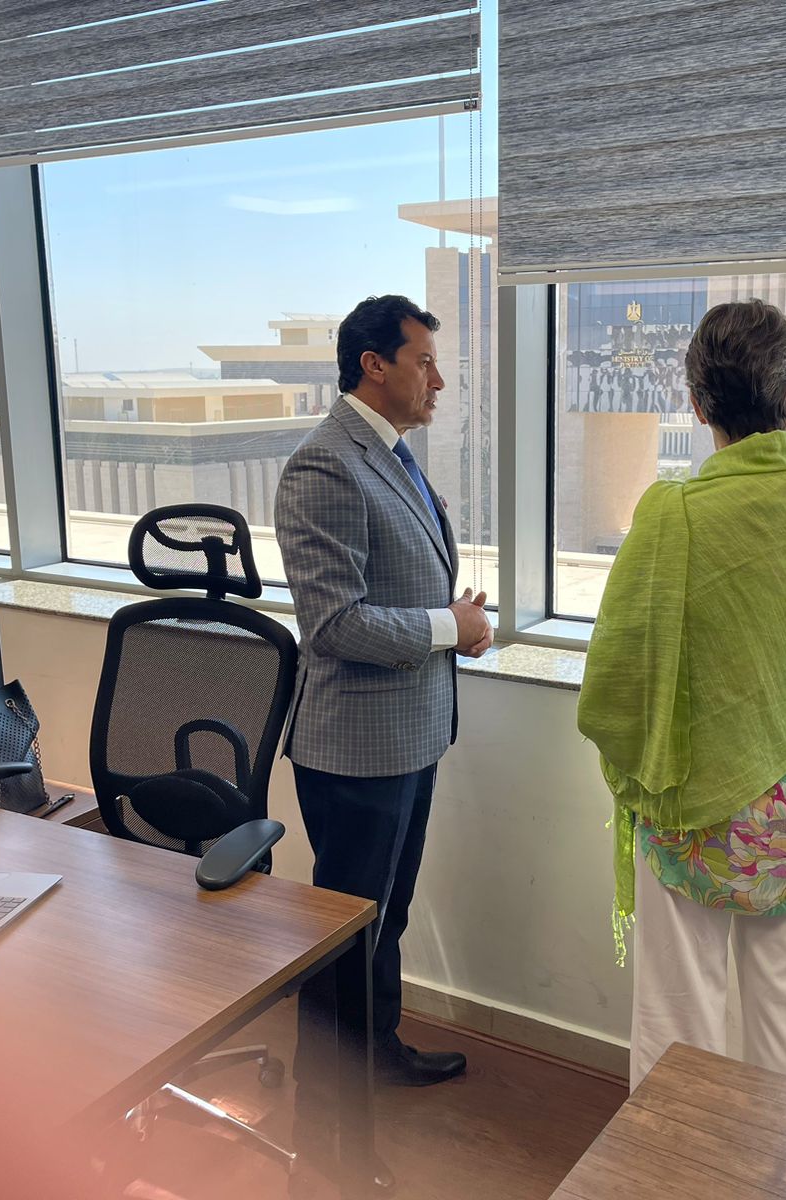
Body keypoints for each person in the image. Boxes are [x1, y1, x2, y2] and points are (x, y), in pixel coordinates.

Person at [577, 298, 786, 1091]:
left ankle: (677, 1158)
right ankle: (785, 1157)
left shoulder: (672, 516)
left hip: (695, 814)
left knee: (679, 1024)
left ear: (696, 404)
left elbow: (615, 679)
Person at [275, 295, 492, 1113]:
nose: (438, 380)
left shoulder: (390, 455)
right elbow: (334, 623)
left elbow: (396, 587)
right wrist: (446, 626)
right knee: (343, 931)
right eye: (423, 361)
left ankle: (375, 1050)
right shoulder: (325, 465)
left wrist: (454, 627)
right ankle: (325, 1113)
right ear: (374, 364)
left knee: (385, 915)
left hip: (410, 732)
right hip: (354, 747)